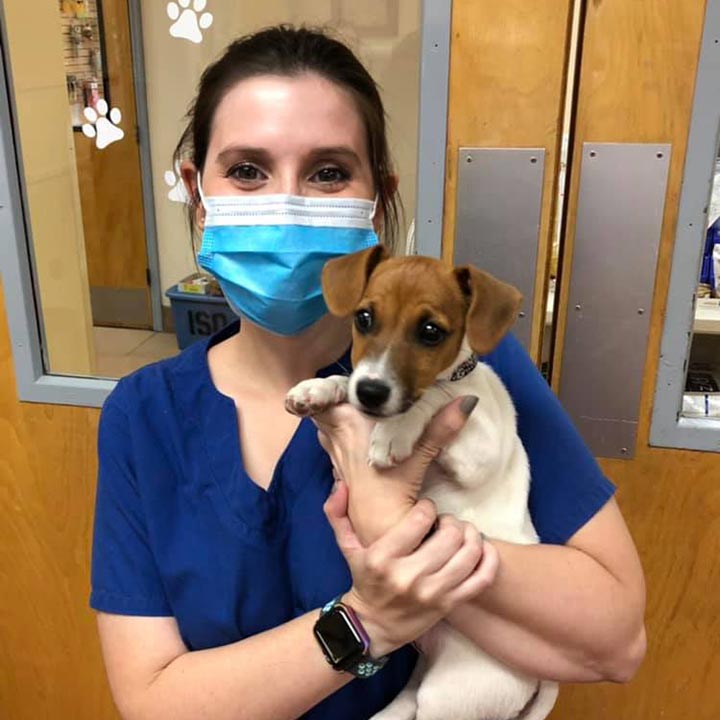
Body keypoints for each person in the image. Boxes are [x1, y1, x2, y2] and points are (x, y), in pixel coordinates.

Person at [90, 25, 646, 720]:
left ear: (378, 198)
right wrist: (368, 619)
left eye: (328, 172)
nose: (287, 202)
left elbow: (615, 643)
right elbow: (153, 701)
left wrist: (396, 525)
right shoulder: (146, 413)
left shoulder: (465, 370)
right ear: (196, 191)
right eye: (247, 170)